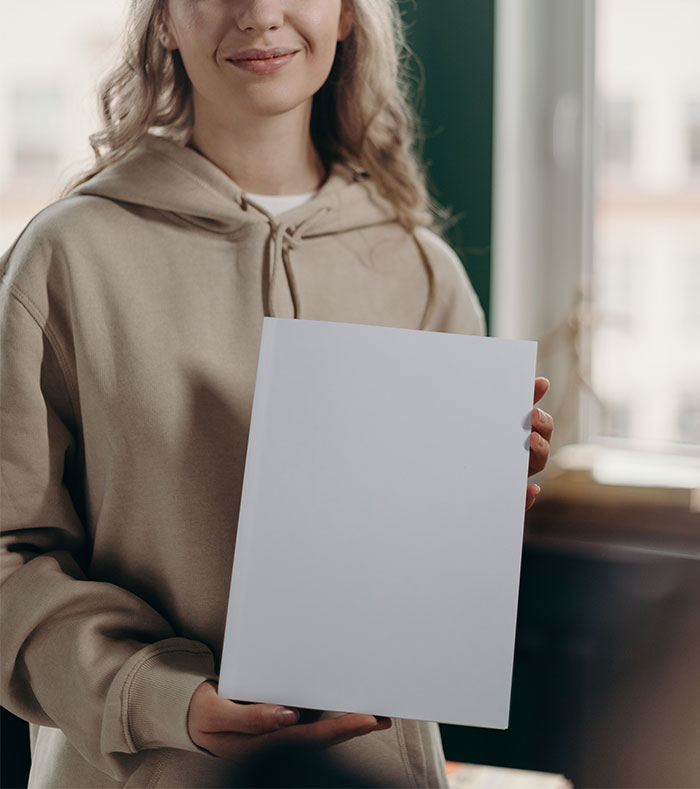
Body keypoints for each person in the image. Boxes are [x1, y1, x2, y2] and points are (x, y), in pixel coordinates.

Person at [0, 1, 553, 787]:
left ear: (346, 15)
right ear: (163, 21)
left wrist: (476, 519)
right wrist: (160, 695)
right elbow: (9, 556)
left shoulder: (423, 271)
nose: (260, 14)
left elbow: (425, 605)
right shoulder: (64, 258)